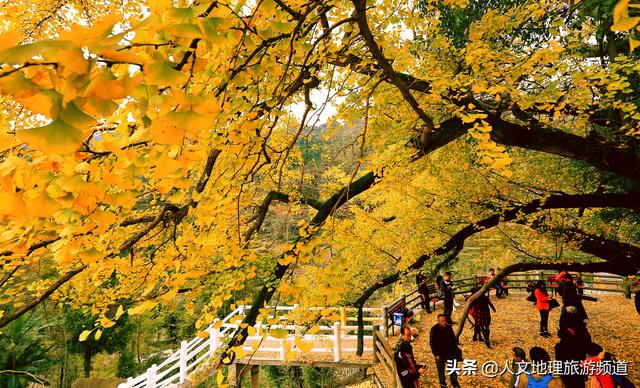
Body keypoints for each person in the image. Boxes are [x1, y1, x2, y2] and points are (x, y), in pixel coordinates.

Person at [429, 314, 461, 388]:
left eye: (445, 321)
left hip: (450, 353)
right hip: (439, 354)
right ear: (438, 321)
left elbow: (453, 340)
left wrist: (455, 351)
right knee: (441, 371)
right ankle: (443, 384)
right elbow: (432, 343)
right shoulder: (434, 329)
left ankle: (455, 384)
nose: (444, 323)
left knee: (453, 370)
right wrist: (436, 354)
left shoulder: (449, 327)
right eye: (442, 321)